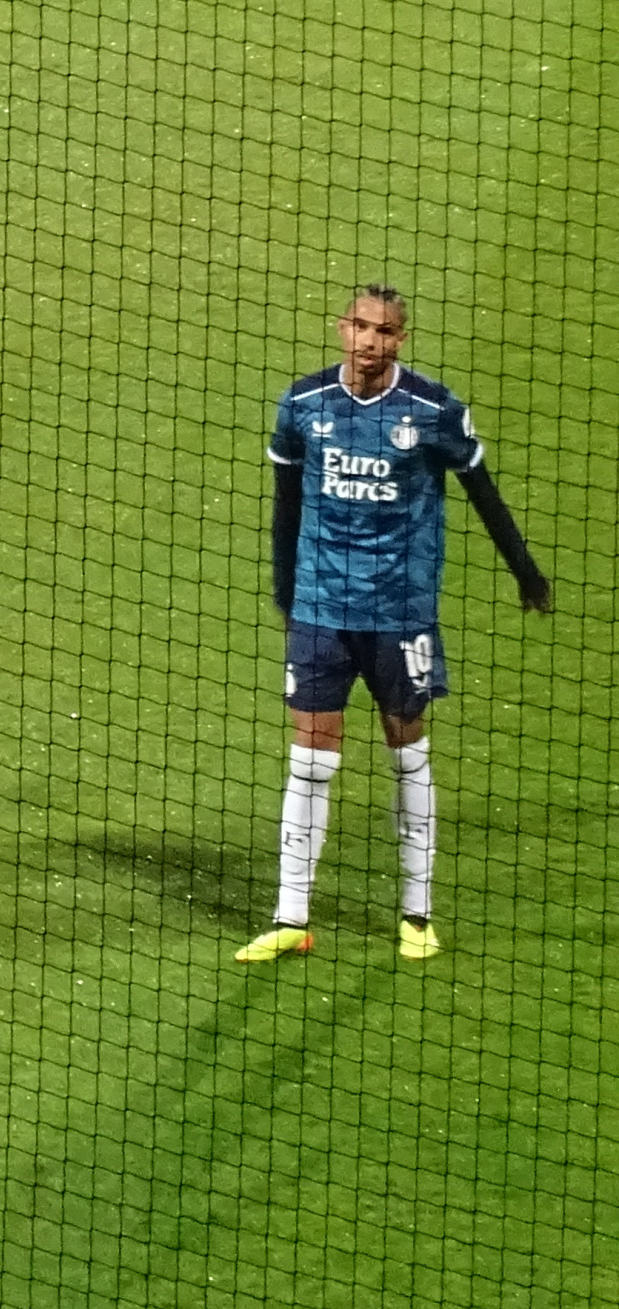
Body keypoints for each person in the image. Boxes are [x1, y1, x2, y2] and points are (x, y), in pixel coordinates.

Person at [238, 285, 551, 964]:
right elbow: (286, 503)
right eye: (358, 326)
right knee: (309, 760)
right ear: (339, 328)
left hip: (399, 612)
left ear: (400, 340)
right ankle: (291, 914)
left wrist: (524, 571)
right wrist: (286, 590)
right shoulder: (303, 405)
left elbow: (483, 493)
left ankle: (417, 911)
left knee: (407, 754)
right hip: (321, 609)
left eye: (383, 331)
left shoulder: (432, 410)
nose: (369, 341)